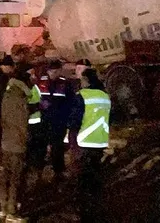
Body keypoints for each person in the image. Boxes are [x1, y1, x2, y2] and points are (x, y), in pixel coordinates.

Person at [66, 68, 111, 222]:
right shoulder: (105, 96)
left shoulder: (82, 96)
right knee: (95, 178)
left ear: (86, 81)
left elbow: (74, 120)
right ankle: (97, 209)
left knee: (82, 180)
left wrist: (72, 143)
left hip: (84, 143)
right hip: (99, 143)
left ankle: (84, 212)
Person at [0, 66, 33, 221]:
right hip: (17, 143)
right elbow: (23, 123)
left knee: (5, 175)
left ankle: (3, 208)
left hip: (6, 141)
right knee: (16, 178)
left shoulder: (7, 95)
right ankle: (12, 212)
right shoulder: (20, 99)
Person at [43, 60, 74, 183]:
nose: (53, 74)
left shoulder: (64, 84)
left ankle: (58, 171)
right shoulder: (42, 82)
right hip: (44, 120)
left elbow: (70, 102)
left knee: (57, 146)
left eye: (55, 71)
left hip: (58, 121)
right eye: (51, 71)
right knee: (44, 145)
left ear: (60, 71)